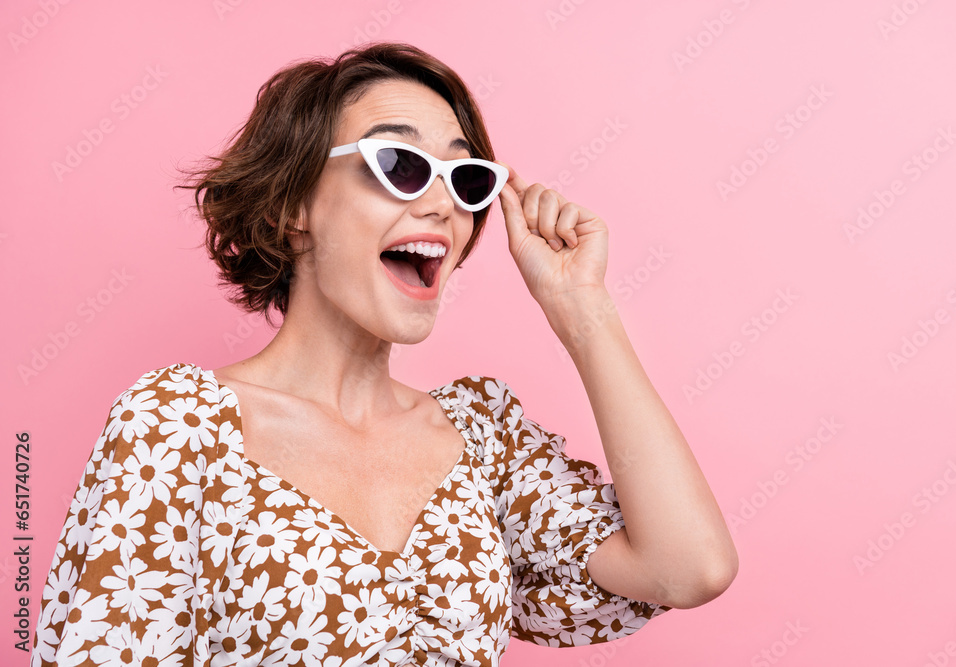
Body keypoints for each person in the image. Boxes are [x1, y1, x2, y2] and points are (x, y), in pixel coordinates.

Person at [30, 42, 738, 666]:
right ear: (292, 205)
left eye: (465, 179)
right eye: (399, 163)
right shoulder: (179, 429)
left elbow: (689, 566)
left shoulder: (482, 442)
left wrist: (583, 311)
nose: (442, 206)